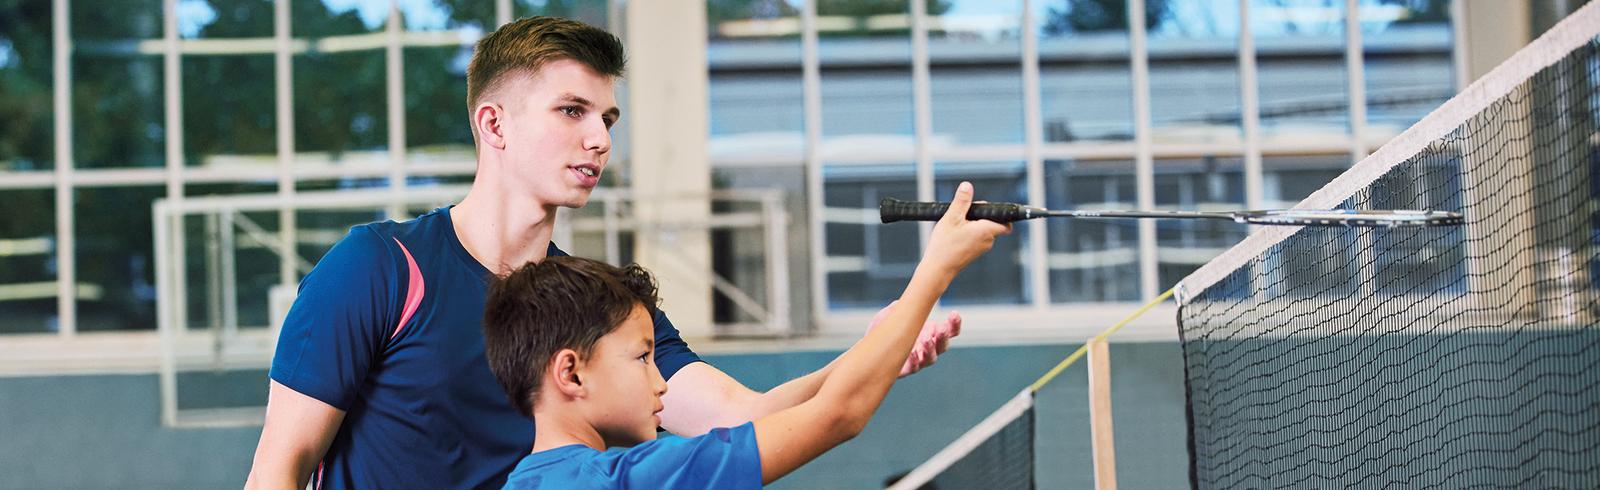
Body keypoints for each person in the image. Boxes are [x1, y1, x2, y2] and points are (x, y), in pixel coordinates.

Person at [244, 16, 962, 490]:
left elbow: (743, 415)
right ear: (493, 123)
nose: (600, 140)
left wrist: (873, 352)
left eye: (608, 118)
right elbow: (284, 462)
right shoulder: (379, 268)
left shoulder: (596, 312)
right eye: (572, 112)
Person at [484, 183, 1009, 488]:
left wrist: (877, 354)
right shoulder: (632, 478)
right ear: (571, 372)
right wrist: (937, 268)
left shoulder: (528, 482)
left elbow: (793, 409)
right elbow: (839, 416)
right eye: (644, 358)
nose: (661, 384)